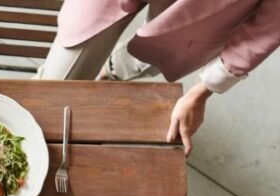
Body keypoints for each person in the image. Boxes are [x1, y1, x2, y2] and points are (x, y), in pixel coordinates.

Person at [38, 0, 280, 155]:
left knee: (150, 53)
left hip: (197, 14)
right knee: (50, 91)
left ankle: (109, 72)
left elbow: (269, 27)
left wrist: (202, 91)